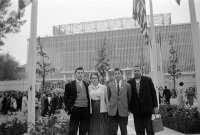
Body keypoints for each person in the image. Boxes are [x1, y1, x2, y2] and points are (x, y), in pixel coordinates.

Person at [127, 66, 158, 135]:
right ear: (133, 72)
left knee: (149, 129)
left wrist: (155, 106)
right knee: (139, 130)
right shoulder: (129, 82)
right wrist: (129, 108)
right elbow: (128, 96)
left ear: (141, 71)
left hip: (147, 109)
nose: (136, 72)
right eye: (135, 71)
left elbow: (153, 93)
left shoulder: (148, 80)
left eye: (138, 71)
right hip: (136, 110)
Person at [64, 67, 90, 135]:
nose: (80, 74)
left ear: (83, 74)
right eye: (78, 73)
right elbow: (65, 98)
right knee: (73, 130)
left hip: (85, 109)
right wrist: (70, 108)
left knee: (83, 130)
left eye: (82, 73)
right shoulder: (69, 85)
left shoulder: (87, 84)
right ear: (75, 74)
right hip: (75, 109)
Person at [107, 68, 131, 135]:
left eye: (118, 73)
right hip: (112, 111)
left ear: (122, 75)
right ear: (114, 75)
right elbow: (108, 97)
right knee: (112, 131)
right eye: (115, 74)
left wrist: (127, 108)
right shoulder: (109, 85)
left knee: (124, 130)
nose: (117, 75)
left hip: (123, 111)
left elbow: (129, 98)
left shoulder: (127, 85)